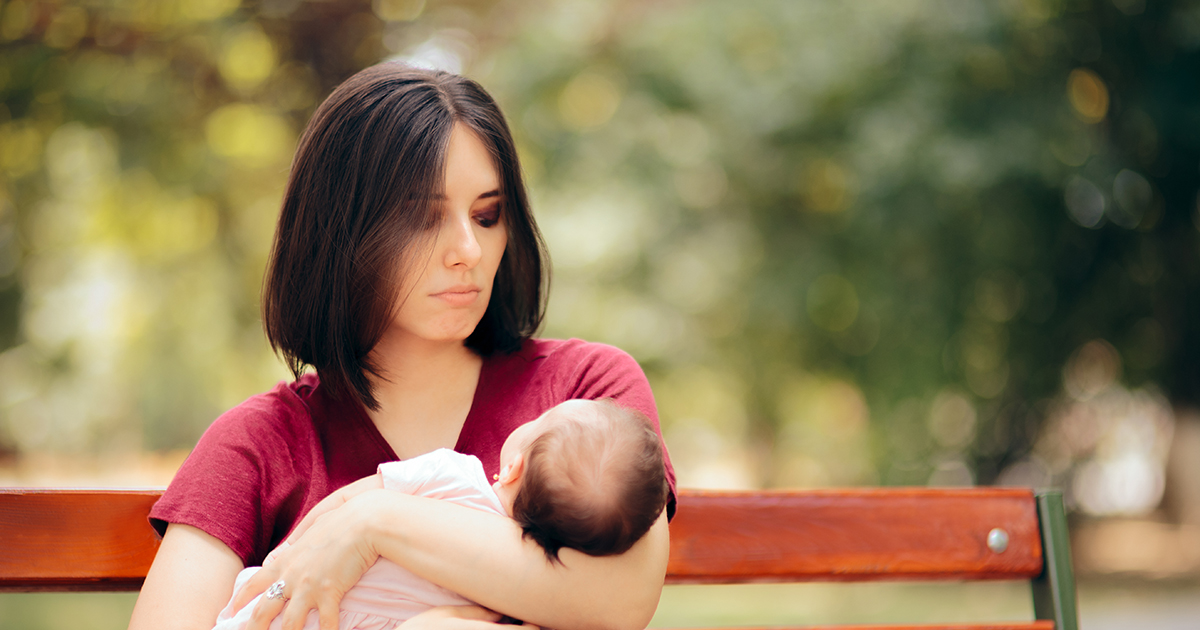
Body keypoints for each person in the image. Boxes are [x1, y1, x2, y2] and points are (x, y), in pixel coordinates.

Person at [128, 62, 676, 630]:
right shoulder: (259, 444)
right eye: (423, 217)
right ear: (343, 230)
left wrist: (375, 522)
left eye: (487, 215)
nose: (469, 250)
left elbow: (622, 600)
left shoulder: (585, 397)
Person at [213, 399, 670, 630]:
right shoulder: (511, 595)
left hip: (278, 611)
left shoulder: (452, 475)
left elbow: (343, 509)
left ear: (513, 467)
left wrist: (290, 554)